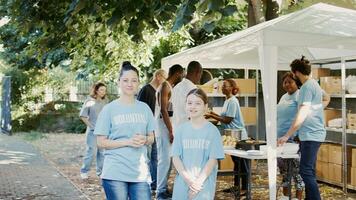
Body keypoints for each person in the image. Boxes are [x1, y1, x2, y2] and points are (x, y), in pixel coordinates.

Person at [94, 61, 155, 200]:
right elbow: (101, 142)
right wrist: (128, 142)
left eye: (134, 80)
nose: (130, 84)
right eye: (126, 80)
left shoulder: (144, 108)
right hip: (115, 172)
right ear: (119, 82)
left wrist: (145, 139)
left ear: (139, 83)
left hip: (140, 172)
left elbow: (152, 137)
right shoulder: (109, 109)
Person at [278, 56, 330, 200]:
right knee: (309, 171)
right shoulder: (314, 84)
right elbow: (325, 99)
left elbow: (301, 115)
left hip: (311, 135)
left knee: (305, 171)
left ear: (295, 72)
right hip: (312, 134)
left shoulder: (307, 87)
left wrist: (287, 135)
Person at [171, 88, 224, 200]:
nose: (193, 106)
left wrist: (197, 184)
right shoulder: (181, 130)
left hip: (203, 185)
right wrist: (189, 180)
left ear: (205, 107)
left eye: (197, 103)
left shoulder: (213, 131)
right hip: (183, 183)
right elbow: (176, 157)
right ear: (185, 106)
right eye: (189, 103)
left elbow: (213, 160)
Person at [205, 79, 248, 194]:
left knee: (241, 163)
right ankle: (236, 186)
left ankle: (244, 188)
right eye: (222, 86)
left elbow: (228, 120)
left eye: (225, 86)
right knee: (237, 162)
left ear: (232, 88)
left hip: (238, 135)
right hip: (232, 134)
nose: (222, 87)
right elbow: (223, 116)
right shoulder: (227, 101)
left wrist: (211, 115)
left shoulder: (233, 101)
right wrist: (211, 114)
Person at [155, 64, 184, 200]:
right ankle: (160, 191)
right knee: (164, 160)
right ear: (177, 73)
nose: (183, 77)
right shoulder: (165, 86)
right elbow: (163, 110)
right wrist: (171, 130)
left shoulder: (169, 86)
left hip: (167, 127)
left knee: (169, 160)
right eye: (182, 74)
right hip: (163, 127)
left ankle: (164, 188)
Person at [137, 69, 167, 191]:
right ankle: (145, 182)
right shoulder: (145, 90)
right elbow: (139, 109)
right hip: (146, 130)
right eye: (165, 78)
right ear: (158, 76)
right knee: (147, 157)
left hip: (155, 129)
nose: (165, 81)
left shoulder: (159, 91)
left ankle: (155, 183)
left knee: (155, 157)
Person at [277, 72, 304, 200]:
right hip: (280, 140)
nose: (287, 84)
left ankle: (298, 198)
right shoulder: (283, 97)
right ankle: (285, 197)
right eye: (285, 82)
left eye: (290, 82)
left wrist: (297, 134)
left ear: (296, 82)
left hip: (293, 140)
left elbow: (302, 116)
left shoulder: (299, 95)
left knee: (297, 173)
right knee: (284, 172)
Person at [79, 82, 108, 179]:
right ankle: (84, 171)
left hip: (103, 131)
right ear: (96, 90)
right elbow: (83, 116)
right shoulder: (90, 101)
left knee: (102, 152)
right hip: (92, 132)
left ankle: (101, 172)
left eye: (104, 90)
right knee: (90, 152)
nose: (103, 92)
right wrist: (92, 127)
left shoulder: (105, 101)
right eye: (101, 90)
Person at [172, 61, 203, 128]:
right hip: (188, 129)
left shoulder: (176, 87)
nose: (200, 77)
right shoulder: (193, 89)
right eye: (201, 74)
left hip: (175, 128)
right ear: (198, 73)